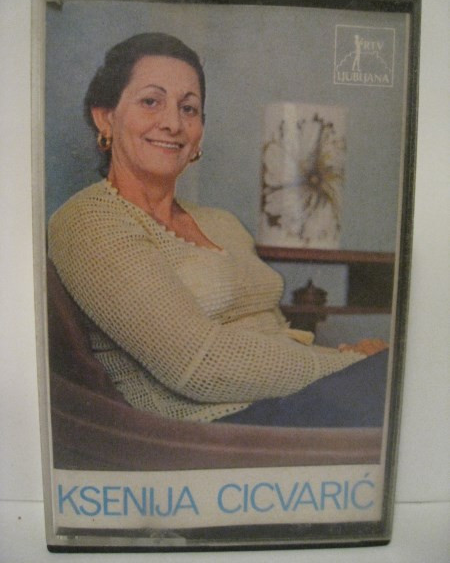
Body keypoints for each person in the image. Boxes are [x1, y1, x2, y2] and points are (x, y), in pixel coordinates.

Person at [48, 33, 387, 426]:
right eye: (151, 101)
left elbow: (275, 335)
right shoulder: (91, 220)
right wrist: (350, 366)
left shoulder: (221, 222)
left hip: (295, 399)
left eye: (189, 109)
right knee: (404, 378)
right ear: (105, 117)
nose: (173, 123)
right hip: (219, 430)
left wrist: (348, 357)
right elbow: (198, 366)